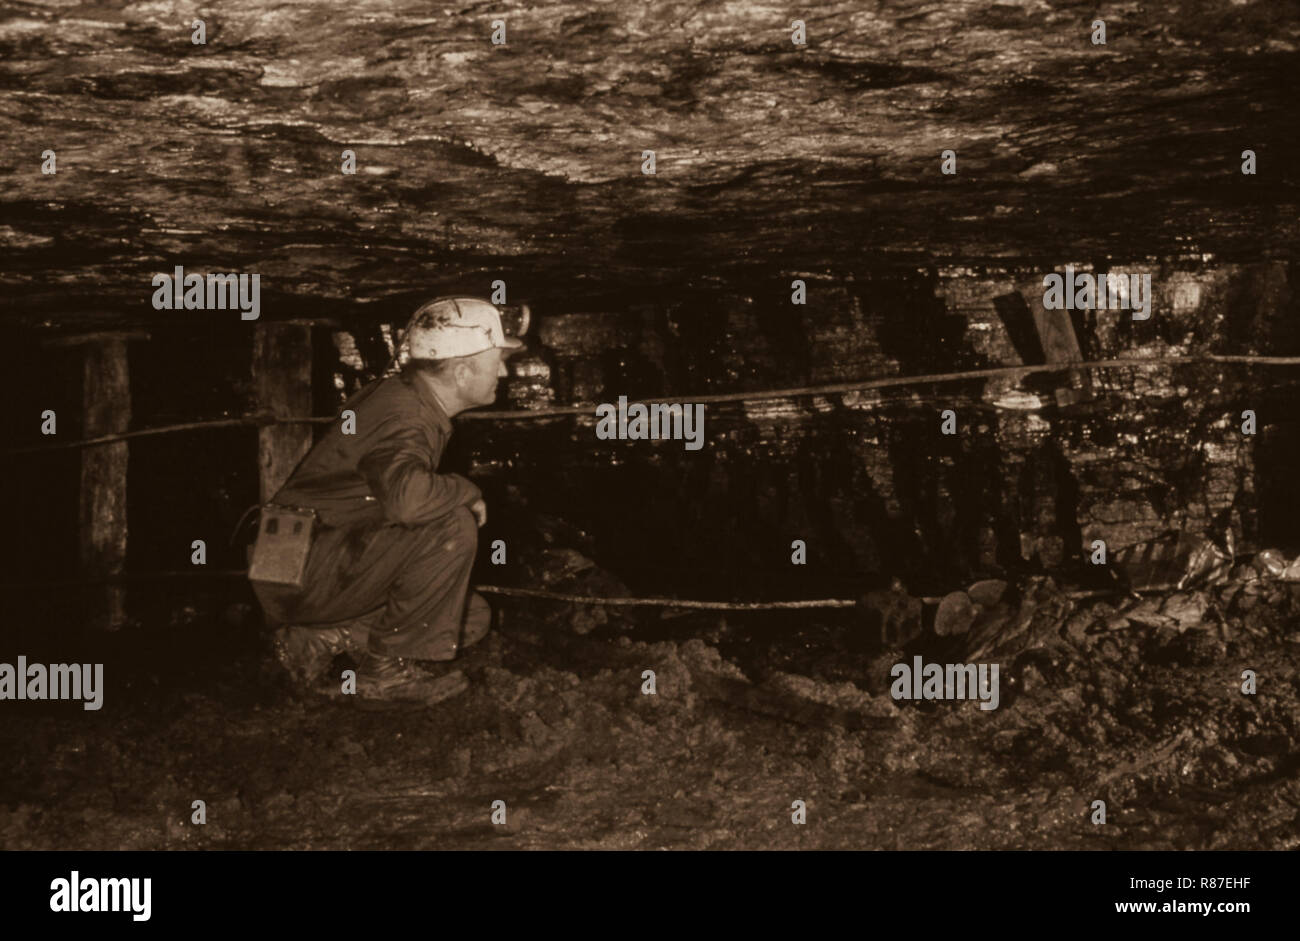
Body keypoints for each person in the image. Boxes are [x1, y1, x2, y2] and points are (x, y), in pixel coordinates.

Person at [252, 296, 523, 703]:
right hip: (301, 570)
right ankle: (384, 672)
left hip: (294, 561)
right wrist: (467, 490)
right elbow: (408, 503)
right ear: (464, 369)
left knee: (470, 618)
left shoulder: (402, 397)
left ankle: (319, 638)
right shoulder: (407, 415)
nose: (504, 371)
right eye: (497, 361)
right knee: (452, 525)